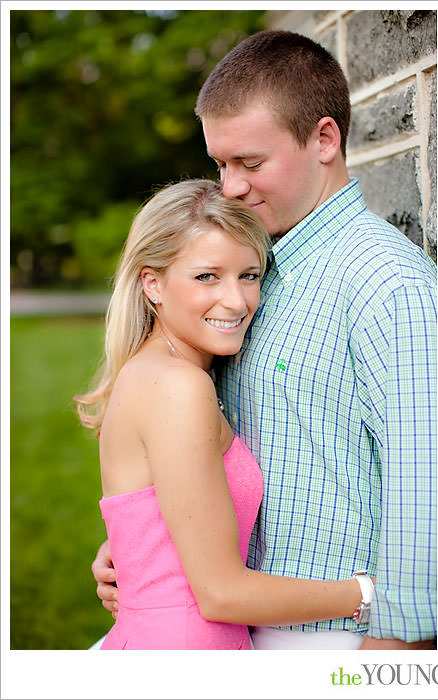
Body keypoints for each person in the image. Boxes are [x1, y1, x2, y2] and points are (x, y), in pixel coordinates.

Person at [92, 30, 437, 650]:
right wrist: (148, 538)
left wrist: (393, 651)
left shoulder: (388, 282)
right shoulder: (248, 272)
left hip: (330, 637)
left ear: (325, 139)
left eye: (250, 164)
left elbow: (421, 484)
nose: (230, 186)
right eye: (220, 164)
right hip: (223, 622)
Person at [75, 180, 366, 649]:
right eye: (207, 277)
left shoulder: (156, 371)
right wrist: (371, 594)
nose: (235, 301)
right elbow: (221, 594)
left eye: (249, 276)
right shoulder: (178, 386)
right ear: (153, 283)